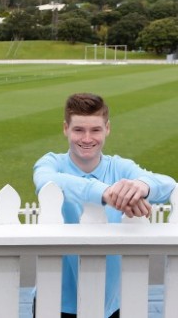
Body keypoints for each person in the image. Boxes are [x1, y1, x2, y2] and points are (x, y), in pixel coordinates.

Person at [32, 93, 176, 318]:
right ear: (65, 129)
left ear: (107, 128)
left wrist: (141, 185)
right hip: (56, 300)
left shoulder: (121, 168)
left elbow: (167, 185)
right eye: (79, 129)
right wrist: (106, 192)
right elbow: (46, 182)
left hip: (113, 303)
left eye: (95, 130)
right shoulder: (52, 162)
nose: (87, 138)